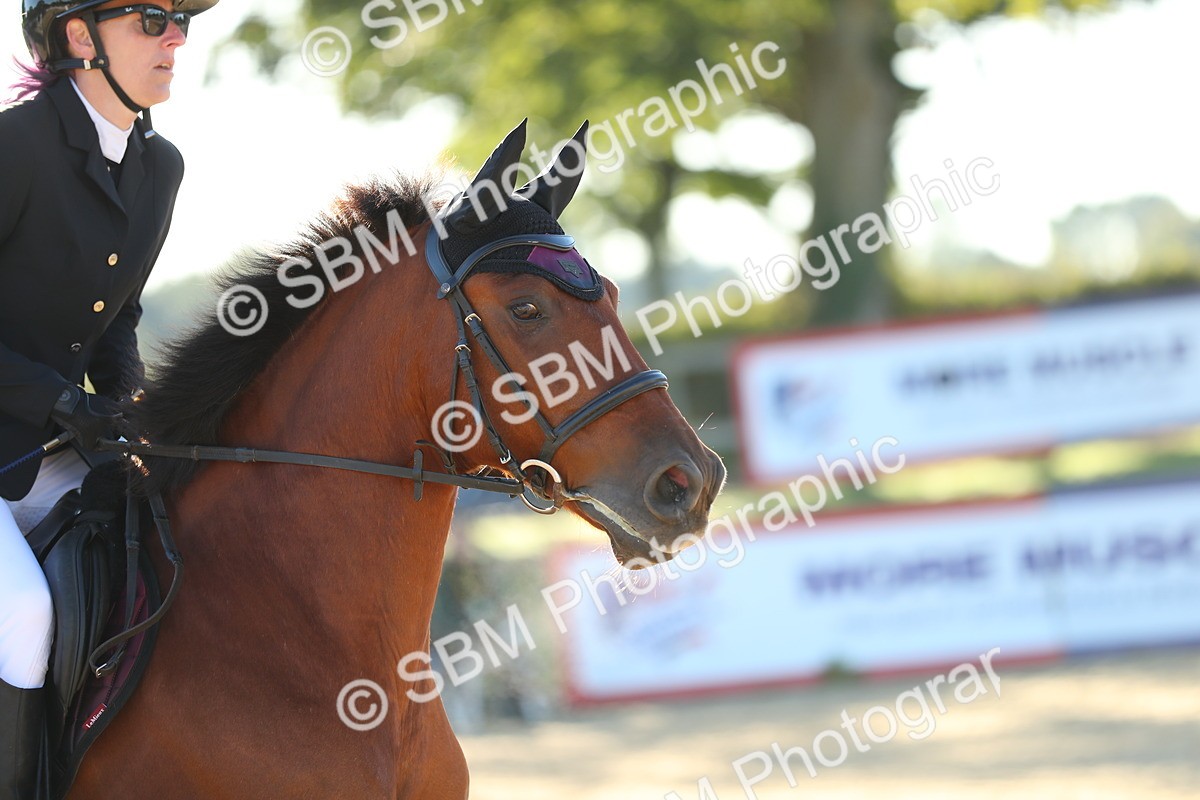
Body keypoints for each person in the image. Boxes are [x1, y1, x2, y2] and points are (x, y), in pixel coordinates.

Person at [1, 0, 216, 794]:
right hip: (26, 438)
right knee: (25, 615)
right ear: (79, 36)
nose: (176, 37)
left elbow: (116, 317)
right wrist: (63, 404)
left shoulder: (161, 168)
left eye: (181, 20)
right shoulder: (13, 146)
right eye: (151, 19)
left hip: (48, 451)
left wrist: (131, 403)